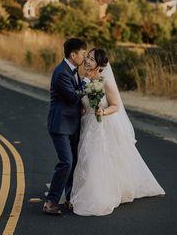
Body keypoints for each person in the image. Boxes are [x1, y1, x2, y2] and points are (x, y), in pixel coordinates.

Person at [70, 47, 166, 216]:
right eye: (87, 57)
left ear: (99, 65)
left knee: (98, 159)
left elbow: (116, 105)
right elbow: (81, 101)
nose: (87, 61)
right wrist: (83, 110)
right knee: (86, 158)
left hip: (103, 124)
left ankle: (101, 194)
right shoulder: (82, 78)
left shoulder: (105, 81)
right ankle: (87, 189)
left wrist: (102, 111)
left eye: (91, 59)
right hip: (88, 125)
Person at [43, 38, 89, 215]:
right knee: (66, 162)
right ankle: (51, 202)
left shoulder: (74, 71)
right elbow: (72, 96)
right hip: (60, 124)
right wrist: (86, 82)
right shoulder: (61, 72)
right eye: (83, 54)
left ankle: (70, 198)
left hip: (73, 124)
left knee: (74, 162)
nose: (84, 57)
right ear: (73, 54)